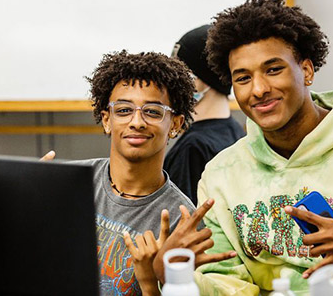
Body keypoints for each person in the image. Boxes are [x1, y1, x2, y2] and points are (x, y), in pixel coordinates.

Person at [150, 0, 333, 295]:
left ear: (307, 71)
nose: (258, 89)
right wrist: (172, 273)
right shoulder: (222, 174)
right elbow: (224, 281)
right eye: (243, 78)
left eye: (273, 70)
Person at [45, 50, 233, 296]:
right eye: (123, 110)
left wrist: (150, 280)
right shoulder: (67, 182)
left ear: (175, 124)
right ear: (106, 120)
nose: (137, 122)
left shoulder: (180, 224)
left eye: (153, 111)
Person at [165, 25, 246, 205]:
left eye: (182, 74)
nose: (172, 83)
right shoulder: (237, 133)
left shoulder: (193, 148)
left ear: (204, 78)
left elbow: (179, 222)